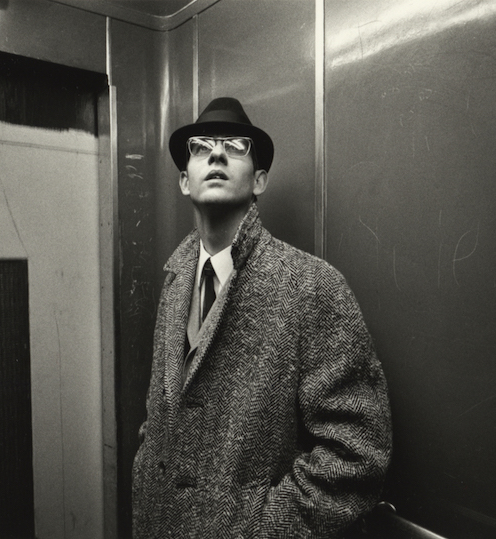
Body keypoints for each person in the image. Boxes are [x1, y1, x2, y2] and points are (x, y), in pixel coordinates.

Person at [132, 97, 392, 538]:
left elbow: (357, 452)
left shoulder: (310, 286)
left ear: (260, 180)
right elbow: (161, 419)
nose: (216, 153)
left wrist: (259, 530)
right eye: (200, 147)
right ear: (183, 181)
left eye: (235, 145)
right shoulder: (175, 279)